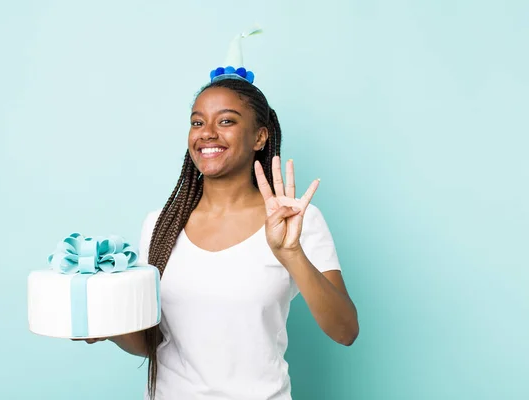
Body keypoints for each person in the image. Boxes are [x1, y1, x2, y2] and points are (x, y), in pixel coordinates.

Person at [81, 34, 359, 400]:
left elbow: (345, 330)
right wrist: (106, 322)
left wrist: (291, 253)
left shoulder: (296, 219)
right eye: (197, 122)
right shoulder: (161, 224)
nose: (207, 133)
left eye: (226, 121)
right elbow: (150, 341)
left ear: (260, 137)